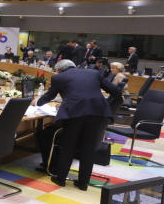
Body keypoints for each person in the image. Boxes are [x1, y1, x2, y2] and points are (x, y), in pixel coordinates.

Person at [35, 60, 120, 190]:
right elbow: (116, 91)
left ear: (60, 70)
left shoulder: (59, 77)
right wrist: (105, 104)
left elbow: (49, 95)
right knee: (88, 148)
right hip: (98, 113)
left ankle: (61, 179)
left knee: (68, 146)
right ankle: (83, 183)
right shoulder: (93, 73)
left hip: (75, 113)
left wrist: (37, 102)